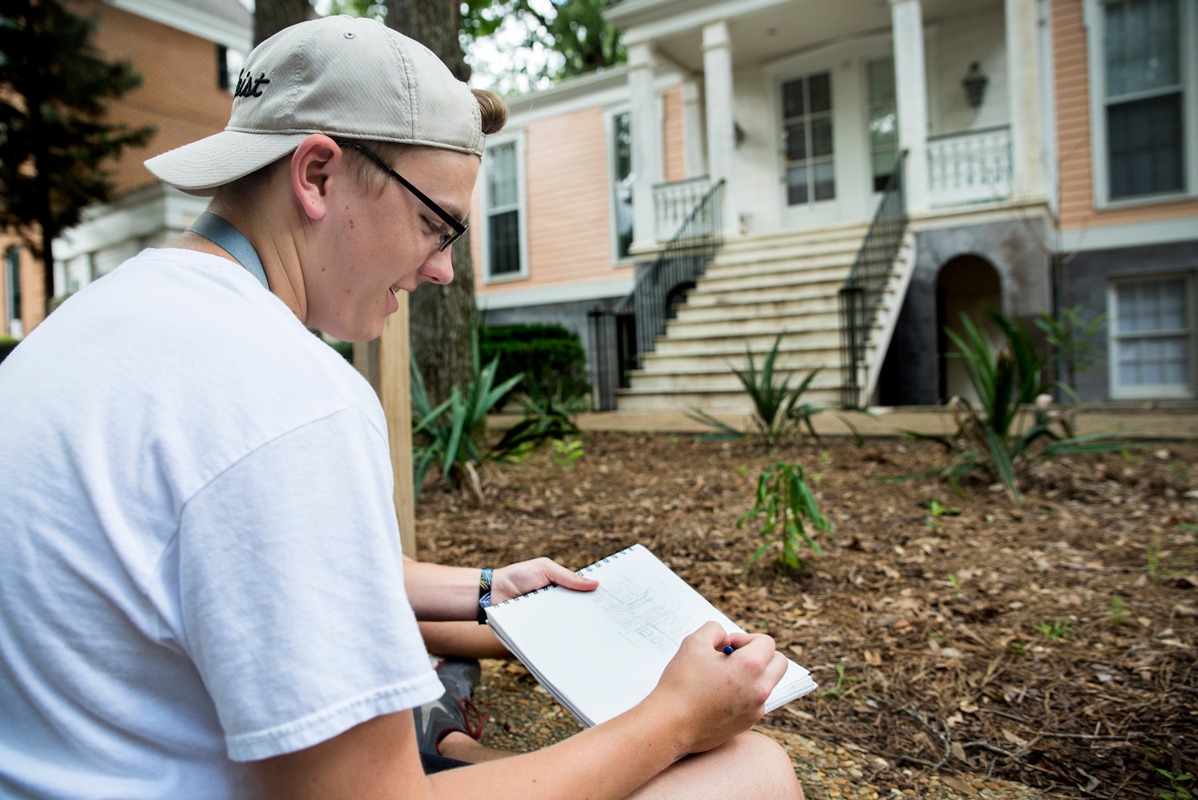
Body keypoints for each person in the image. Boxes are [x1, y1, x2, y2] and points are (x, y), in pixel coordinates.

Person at [0, 16, 803, 800]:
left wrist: (489, 587)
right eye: (437, 224)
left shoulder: (86, 326)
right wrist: (675, 717)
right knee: (751, 774)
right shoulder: (289, 396)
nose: (444, 270)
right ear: (316, 175)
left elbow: (223, 556)